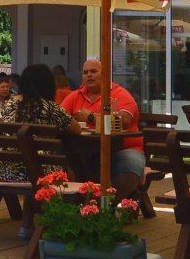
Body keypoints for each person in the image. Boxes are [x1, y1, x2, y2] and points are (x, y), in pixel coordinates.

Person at [0, 64, 78, 232]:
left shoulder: (10, 103)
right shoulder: (50, 107)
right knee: (68, 172)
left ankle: (27, 223)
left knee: (34, 166)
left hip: (7, 170)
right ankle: (64, 223)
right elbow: (76, 129)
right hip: (37, 173)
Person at [61, 58, 145, 199]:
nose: (89, 75)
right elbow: (59, 117)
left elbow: (123, 121)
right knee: (65, 159)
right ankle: (82, 203)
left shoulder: (119, 94)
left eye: (93, 71)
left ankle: (105, 205)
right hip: (84, 151)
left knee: (130, 163)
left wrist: (90, 117)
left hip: (122, 149)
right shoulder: (75, 96)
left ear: (105, 74)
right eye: (85, 72)